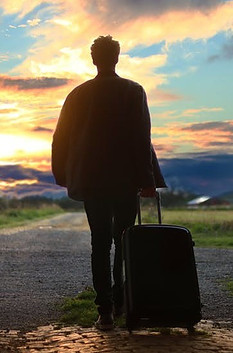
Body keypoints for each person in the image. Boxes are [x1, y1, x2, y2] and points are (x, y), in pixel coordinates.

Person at [52, 35, 166, 330]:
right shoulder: (133, 91)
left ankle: (104, 312)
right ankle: (121, 302)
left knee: (99, 243)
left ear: (94, 60)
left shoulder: (77, 95)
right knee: (124, 241)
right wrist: (147, 181)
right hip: (125, 180)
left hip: (91, 182)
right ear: (117, 57)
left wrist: (64, 176)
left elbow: (60, 138)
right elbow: (142, 139)